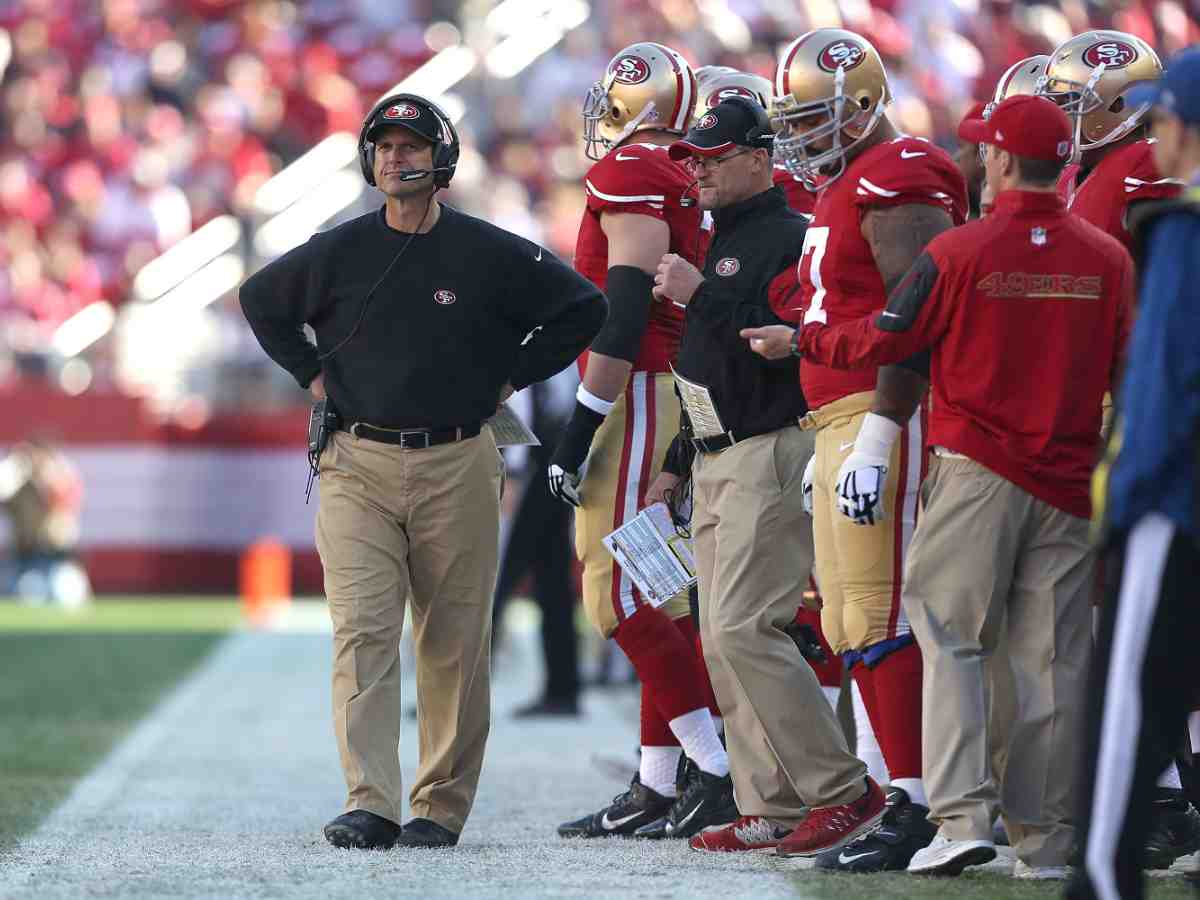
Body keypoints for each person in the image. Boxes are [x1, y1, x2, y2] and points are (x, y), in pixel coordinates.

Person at [750, 94, 1133, 879]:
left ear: (997, 161)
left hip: (977, 470)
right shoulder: (1106, 257)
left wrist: (808, 338)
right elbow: (1124, 372)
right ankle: (1049, 838)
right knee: (1053, 659)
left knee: (949, 636)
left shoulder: (962, 252)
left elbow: (891, 334)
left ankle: (959, 815)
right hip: (1069, 474)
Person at [240, 93, 605, 851]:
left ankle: (438, 805)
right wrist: (312, 376)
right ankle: (368, 799)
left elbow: (584, 308)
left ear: (442, 161)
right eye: (384, 147)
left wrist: (513, 374)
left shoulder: (492, 251)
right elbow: (260, 299)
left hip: (459, 457)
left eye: (411, 146)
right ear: (369, 159)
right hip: (355, 460)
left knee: (453, 641)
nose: (396, 158)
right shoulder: (336, 250)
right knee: (363, 633)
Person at [649, 97, 886, 856]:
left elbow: (773, 339)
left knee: (750, 627)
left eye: (716, 157)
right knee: (721, 639)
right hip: (719, 453)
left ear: (761, 157)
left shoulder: (789, 236)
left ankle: (843, 790)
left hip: (769, 448)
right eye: (695, 159)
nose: (701, 170)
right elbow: (707, 363)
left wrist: (702, 294)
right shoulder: (729, 241)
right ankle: (772, 802)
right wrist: (678, 457)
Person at [757, 27, 968, 873]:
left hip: (882, 409)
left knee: (880, 610)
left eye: (814, 115)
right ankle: (895, 791)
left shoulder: (901, 169)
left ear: (865, 103)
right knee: (848, 618)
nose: (800, 133)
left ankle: (915, 801)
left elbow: (915, 316)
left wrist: (882, 427)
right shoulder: (851, 180)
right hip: (837, 418)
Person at [549, 43, 734, 842]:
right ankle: (661, 781)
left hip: (639, 391)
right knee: (660, 591)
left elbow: (624, 314)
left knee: (615, 588)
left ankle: (716, 769)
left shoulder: (633, 172)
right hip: (669, 386)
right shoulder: (678, 174)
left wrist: (580, 423)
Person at [1068, 47, 1200, 900]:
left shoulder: (1184, 231)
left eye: (1163, 119)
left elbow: (1163, 387)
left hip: (1177, 506)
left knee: (1121, 725)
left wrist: (1121, 497)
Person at [493, 371, 582, 718]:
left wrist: (513, 474)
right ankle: (563, 688)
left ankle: (456, 694)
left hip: (535, 463)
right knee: (551, 580)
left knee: (497, 584)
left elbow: (522, 398)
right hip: (551, 458)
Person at [0, 437, 91, 608]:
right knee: (25, 593)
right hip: (24, 558)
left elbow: (63, 500)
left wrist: (43, 476)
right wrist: (12, 474)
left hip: (57, 557)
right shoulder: (18, 483)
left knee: (63, 594)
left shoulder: (60, 473)